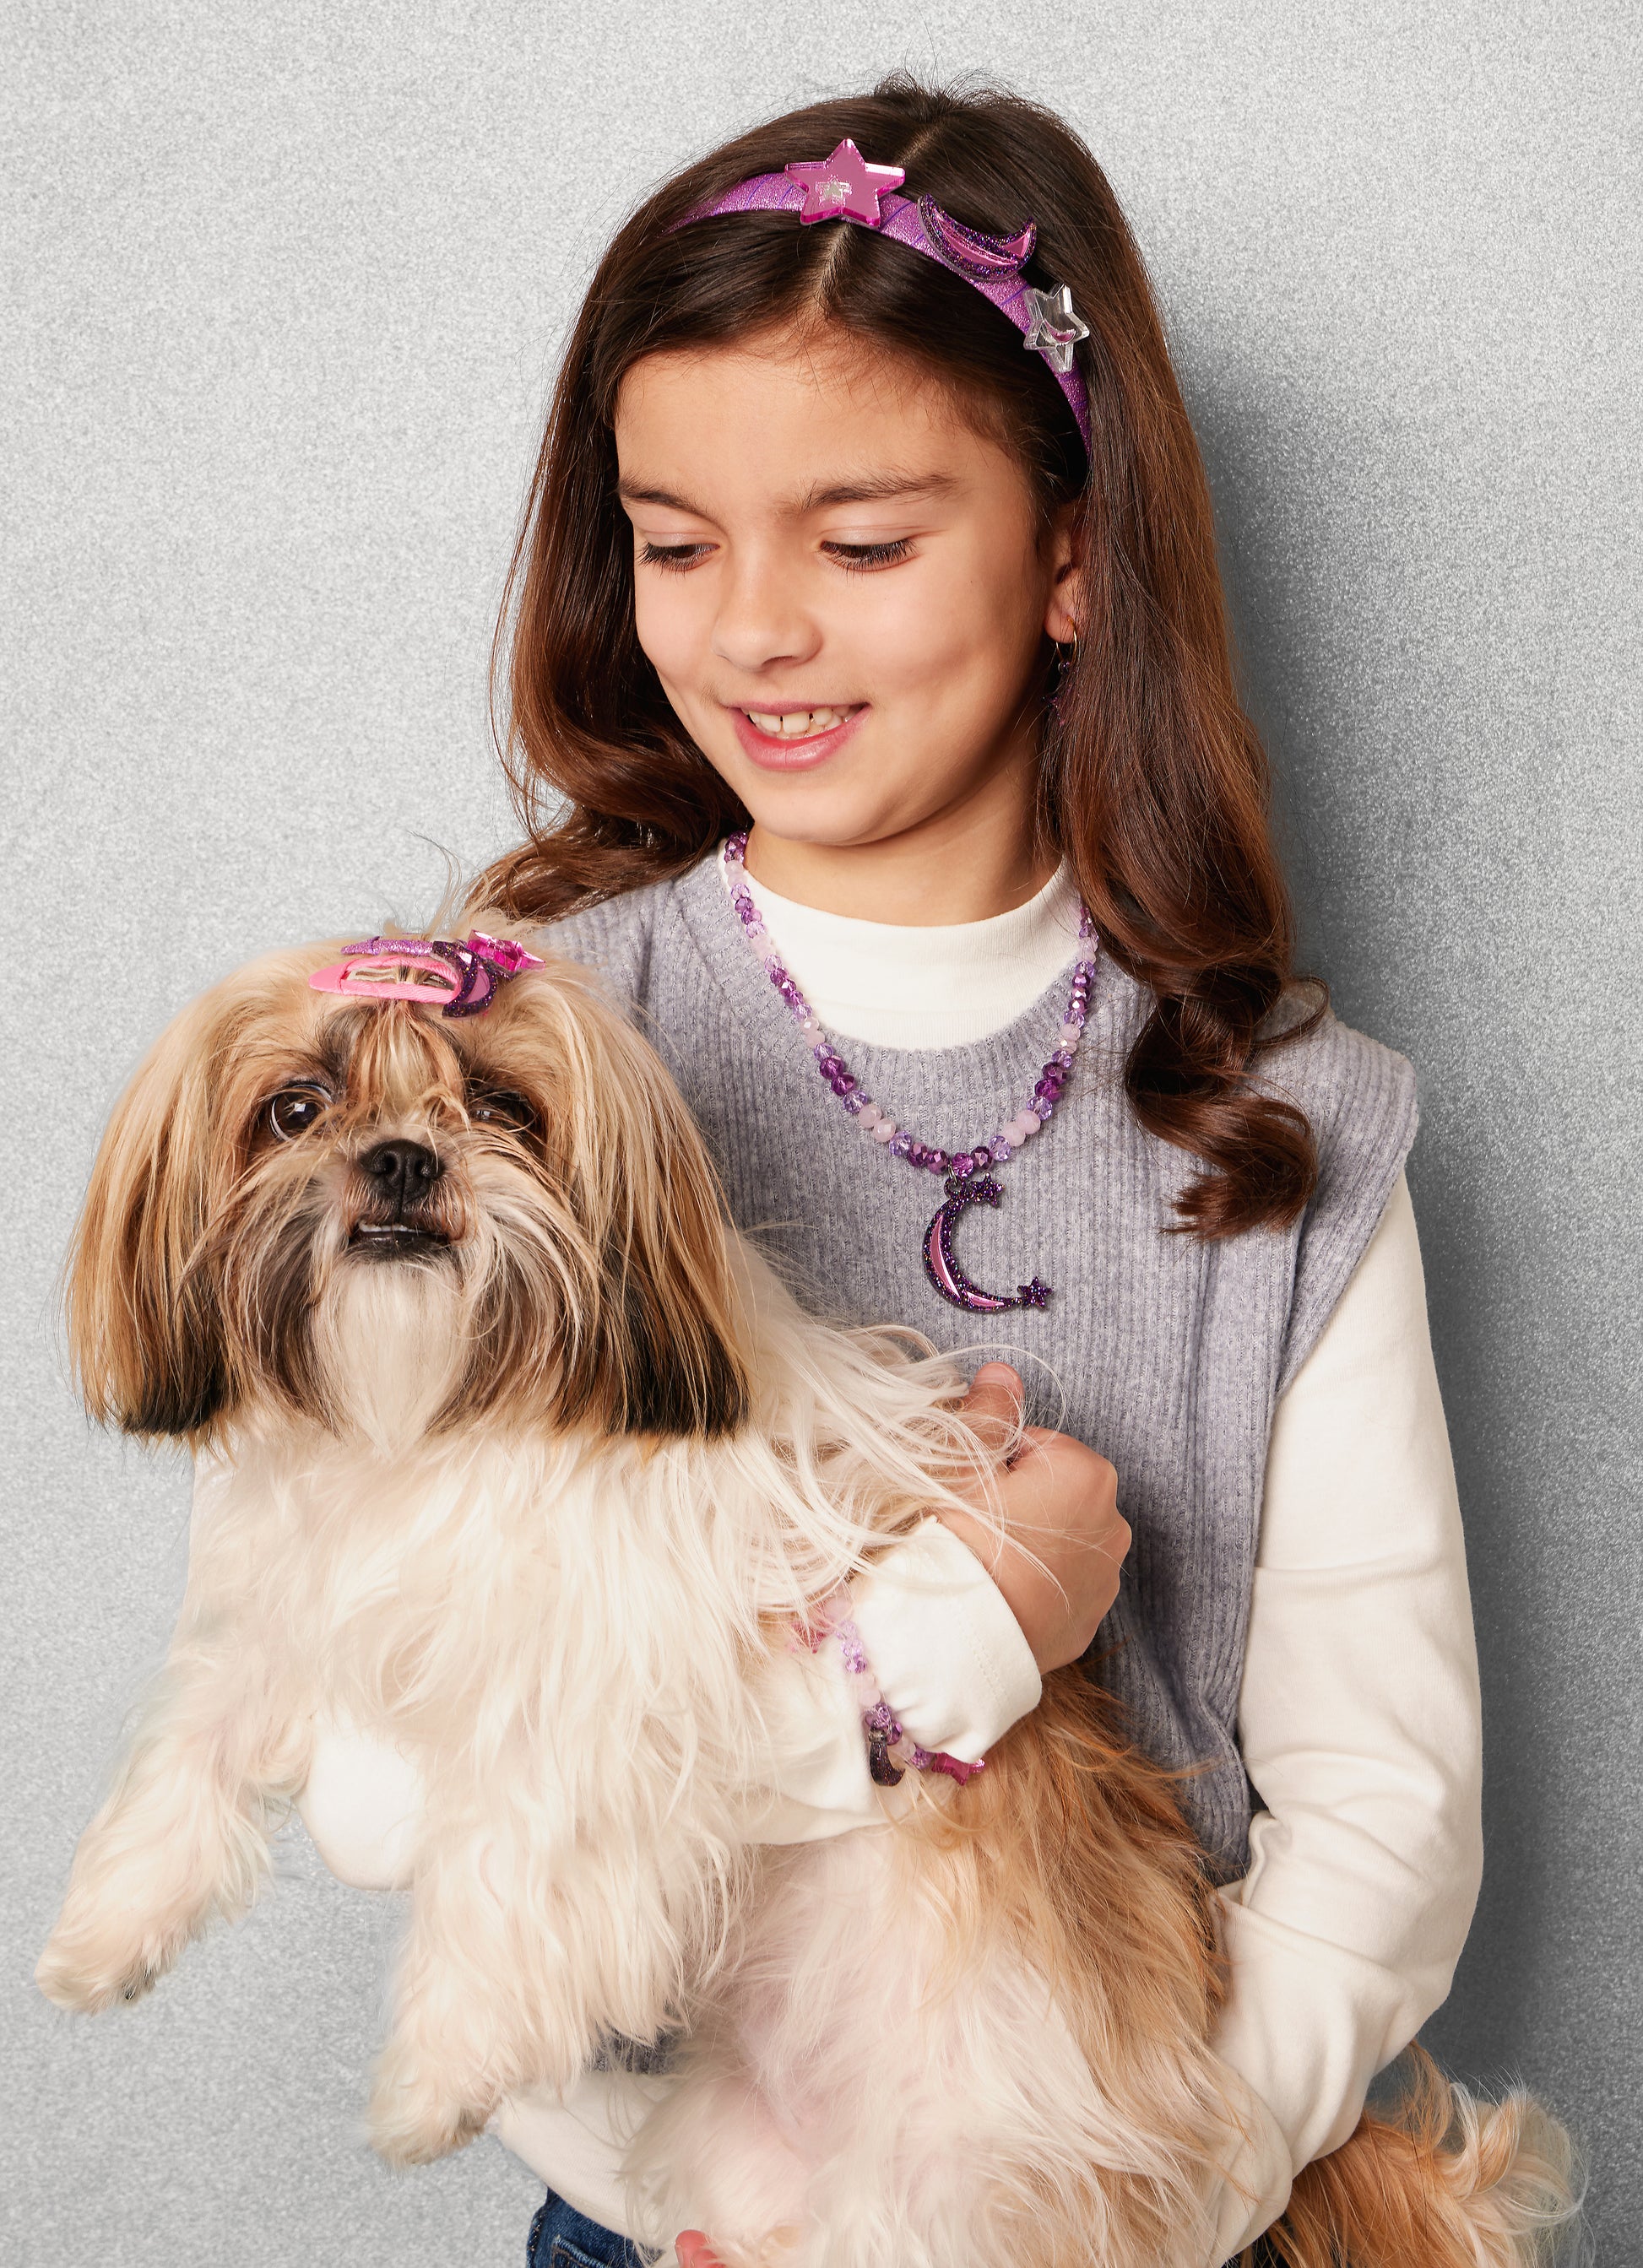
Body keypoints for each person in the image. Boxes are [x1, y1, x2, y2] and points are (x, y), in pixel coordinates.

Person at [299, 75, 1483, 2268]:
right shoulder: (496, 1066)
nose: (753, 628)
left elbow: (1383, 1817)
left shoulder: (1291, 1124)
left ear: (1071, 558)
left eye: (858, 545)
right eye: (675, 544)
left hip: (1129, 2196)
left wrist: (1125, 2207)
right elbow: (393, 1774)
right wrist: (936, 1662)